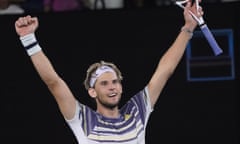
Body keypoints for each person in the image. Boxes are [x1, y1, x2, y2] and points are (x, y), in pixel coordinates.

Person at [14, 0, 203, 143]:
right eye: (104, 83)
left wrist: (188, 27)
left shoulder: (137, 111)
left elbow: (165, 70)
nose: (112, 87)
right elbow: (53, 82)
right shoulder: (82, 118)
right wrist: (28, 39)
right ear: (92, 91)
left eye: (115, 82)